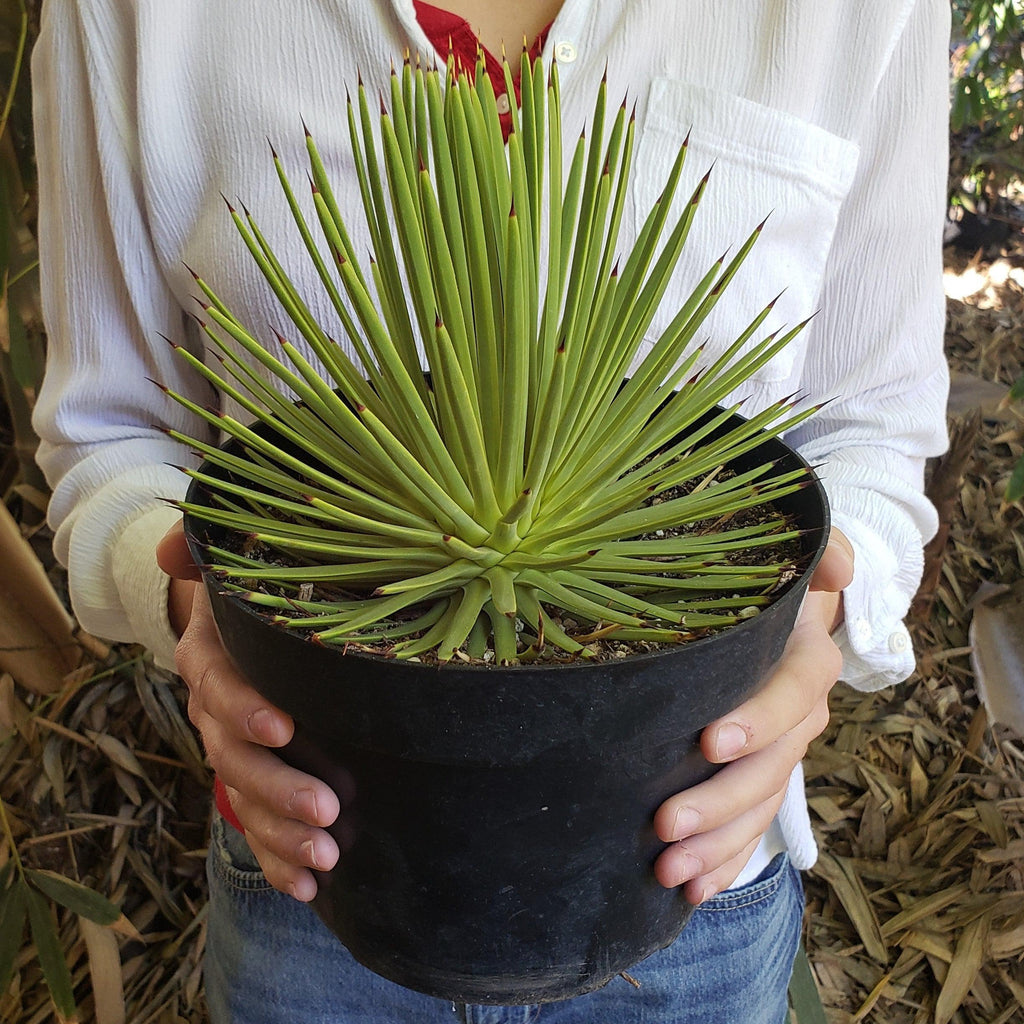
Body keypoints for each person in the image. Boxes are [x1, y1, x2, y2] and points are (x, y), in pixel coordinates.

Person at [30, 1, 950, 1021]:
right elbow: (105, 432)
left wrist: (812, 626)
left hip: (695, 878)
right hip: (317, 864)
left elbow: (871, 430)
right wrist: (182, 600)